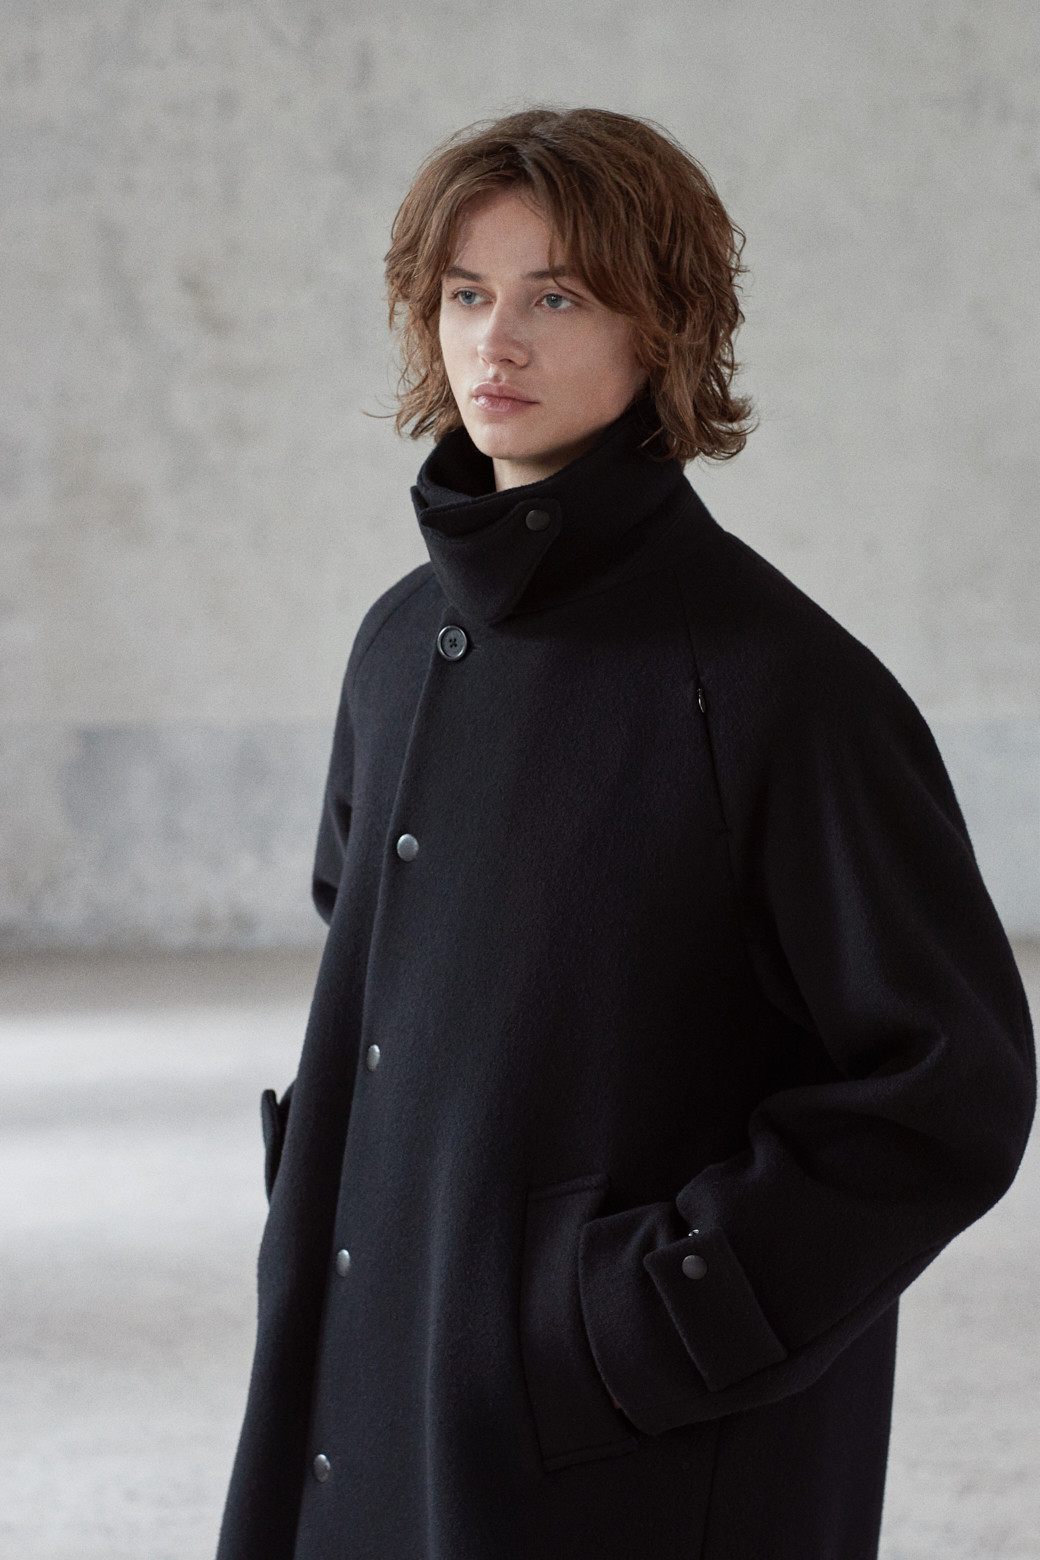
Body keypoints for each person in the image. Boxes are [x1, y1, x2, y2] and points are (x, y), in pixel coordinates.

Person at [216, 107, 1035, 1560]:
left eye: (556, 298)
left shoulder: (778, 683)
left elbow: (945, 1083)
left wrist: (652, 1317)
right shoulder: (396, 646)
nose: (496, 341)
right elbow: (387, 960)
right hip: (372, 1374)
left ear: (662, 332)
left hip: (619, 1442)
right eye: (465, 294)